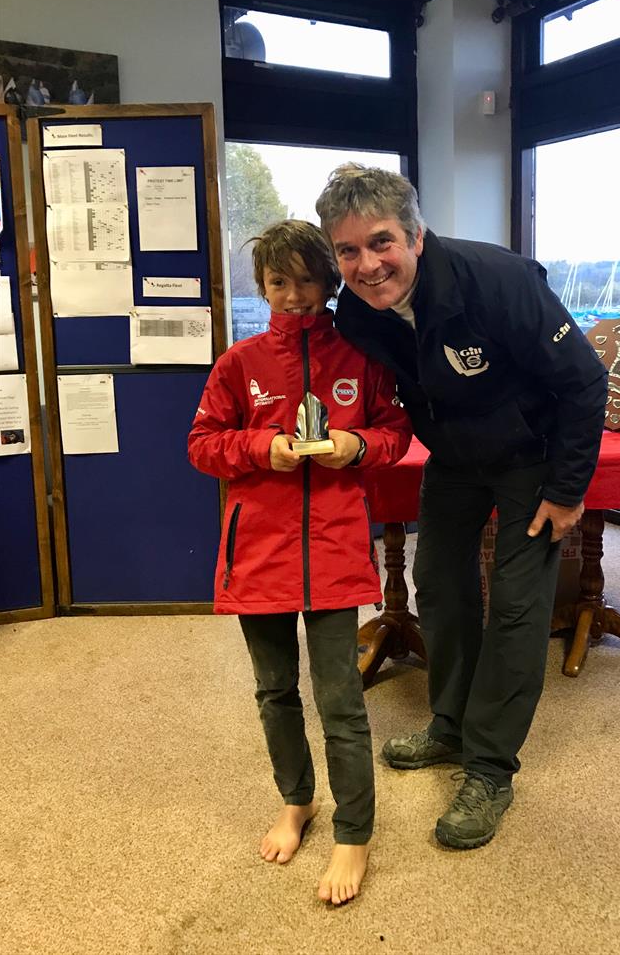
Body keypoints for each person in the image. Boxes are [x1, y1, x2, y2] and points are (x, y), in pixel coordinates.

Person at [316, 165, 608, 851]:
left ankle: (490, 767)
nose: (367, 264)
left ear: (415, 234)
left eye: (381, 242)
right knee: (440, 588)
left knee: (515, 605)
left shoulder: (497, 282)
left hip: (531, 457)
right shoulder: (358, 309)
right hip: (453, 458)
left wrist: (567, 490)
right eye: (348, 251)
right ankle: (449, 725)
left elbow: (586, 381)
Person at [188, 220, 411, 903]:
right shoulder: (239, 363)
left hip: (335, 550)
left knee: (340, 698)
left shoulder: (361, 357)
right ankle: (296, 799)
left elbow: (396, 433)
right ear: (262, 286)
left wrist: (358, 445)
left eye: (307, 279)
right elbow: (202, 444)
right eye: (278, 281)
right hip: (258, 552)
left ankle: (354, 833)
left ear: (329, 281)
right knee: (275, 690)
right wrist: (263, 449)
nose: (293, 295)